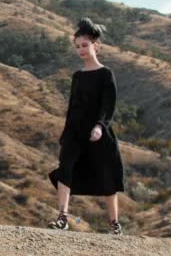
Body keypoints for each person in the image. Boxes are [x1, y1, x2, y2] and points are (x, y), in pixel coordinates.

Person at [47, 17, 126, 235]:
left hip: (99, 132)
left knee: (107, 175)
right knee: (65, 169)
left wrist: (100, 126)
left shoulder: (106, 74)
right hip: (75, 131)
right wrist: (65, 134)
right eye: (78, 47)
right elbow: (73, 106)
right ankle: (62, 217)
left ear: (96, 46)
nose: (81, 50)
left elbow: (108, 106)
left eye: (85, 45)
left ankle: (114, 224)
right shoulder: (78, 76)